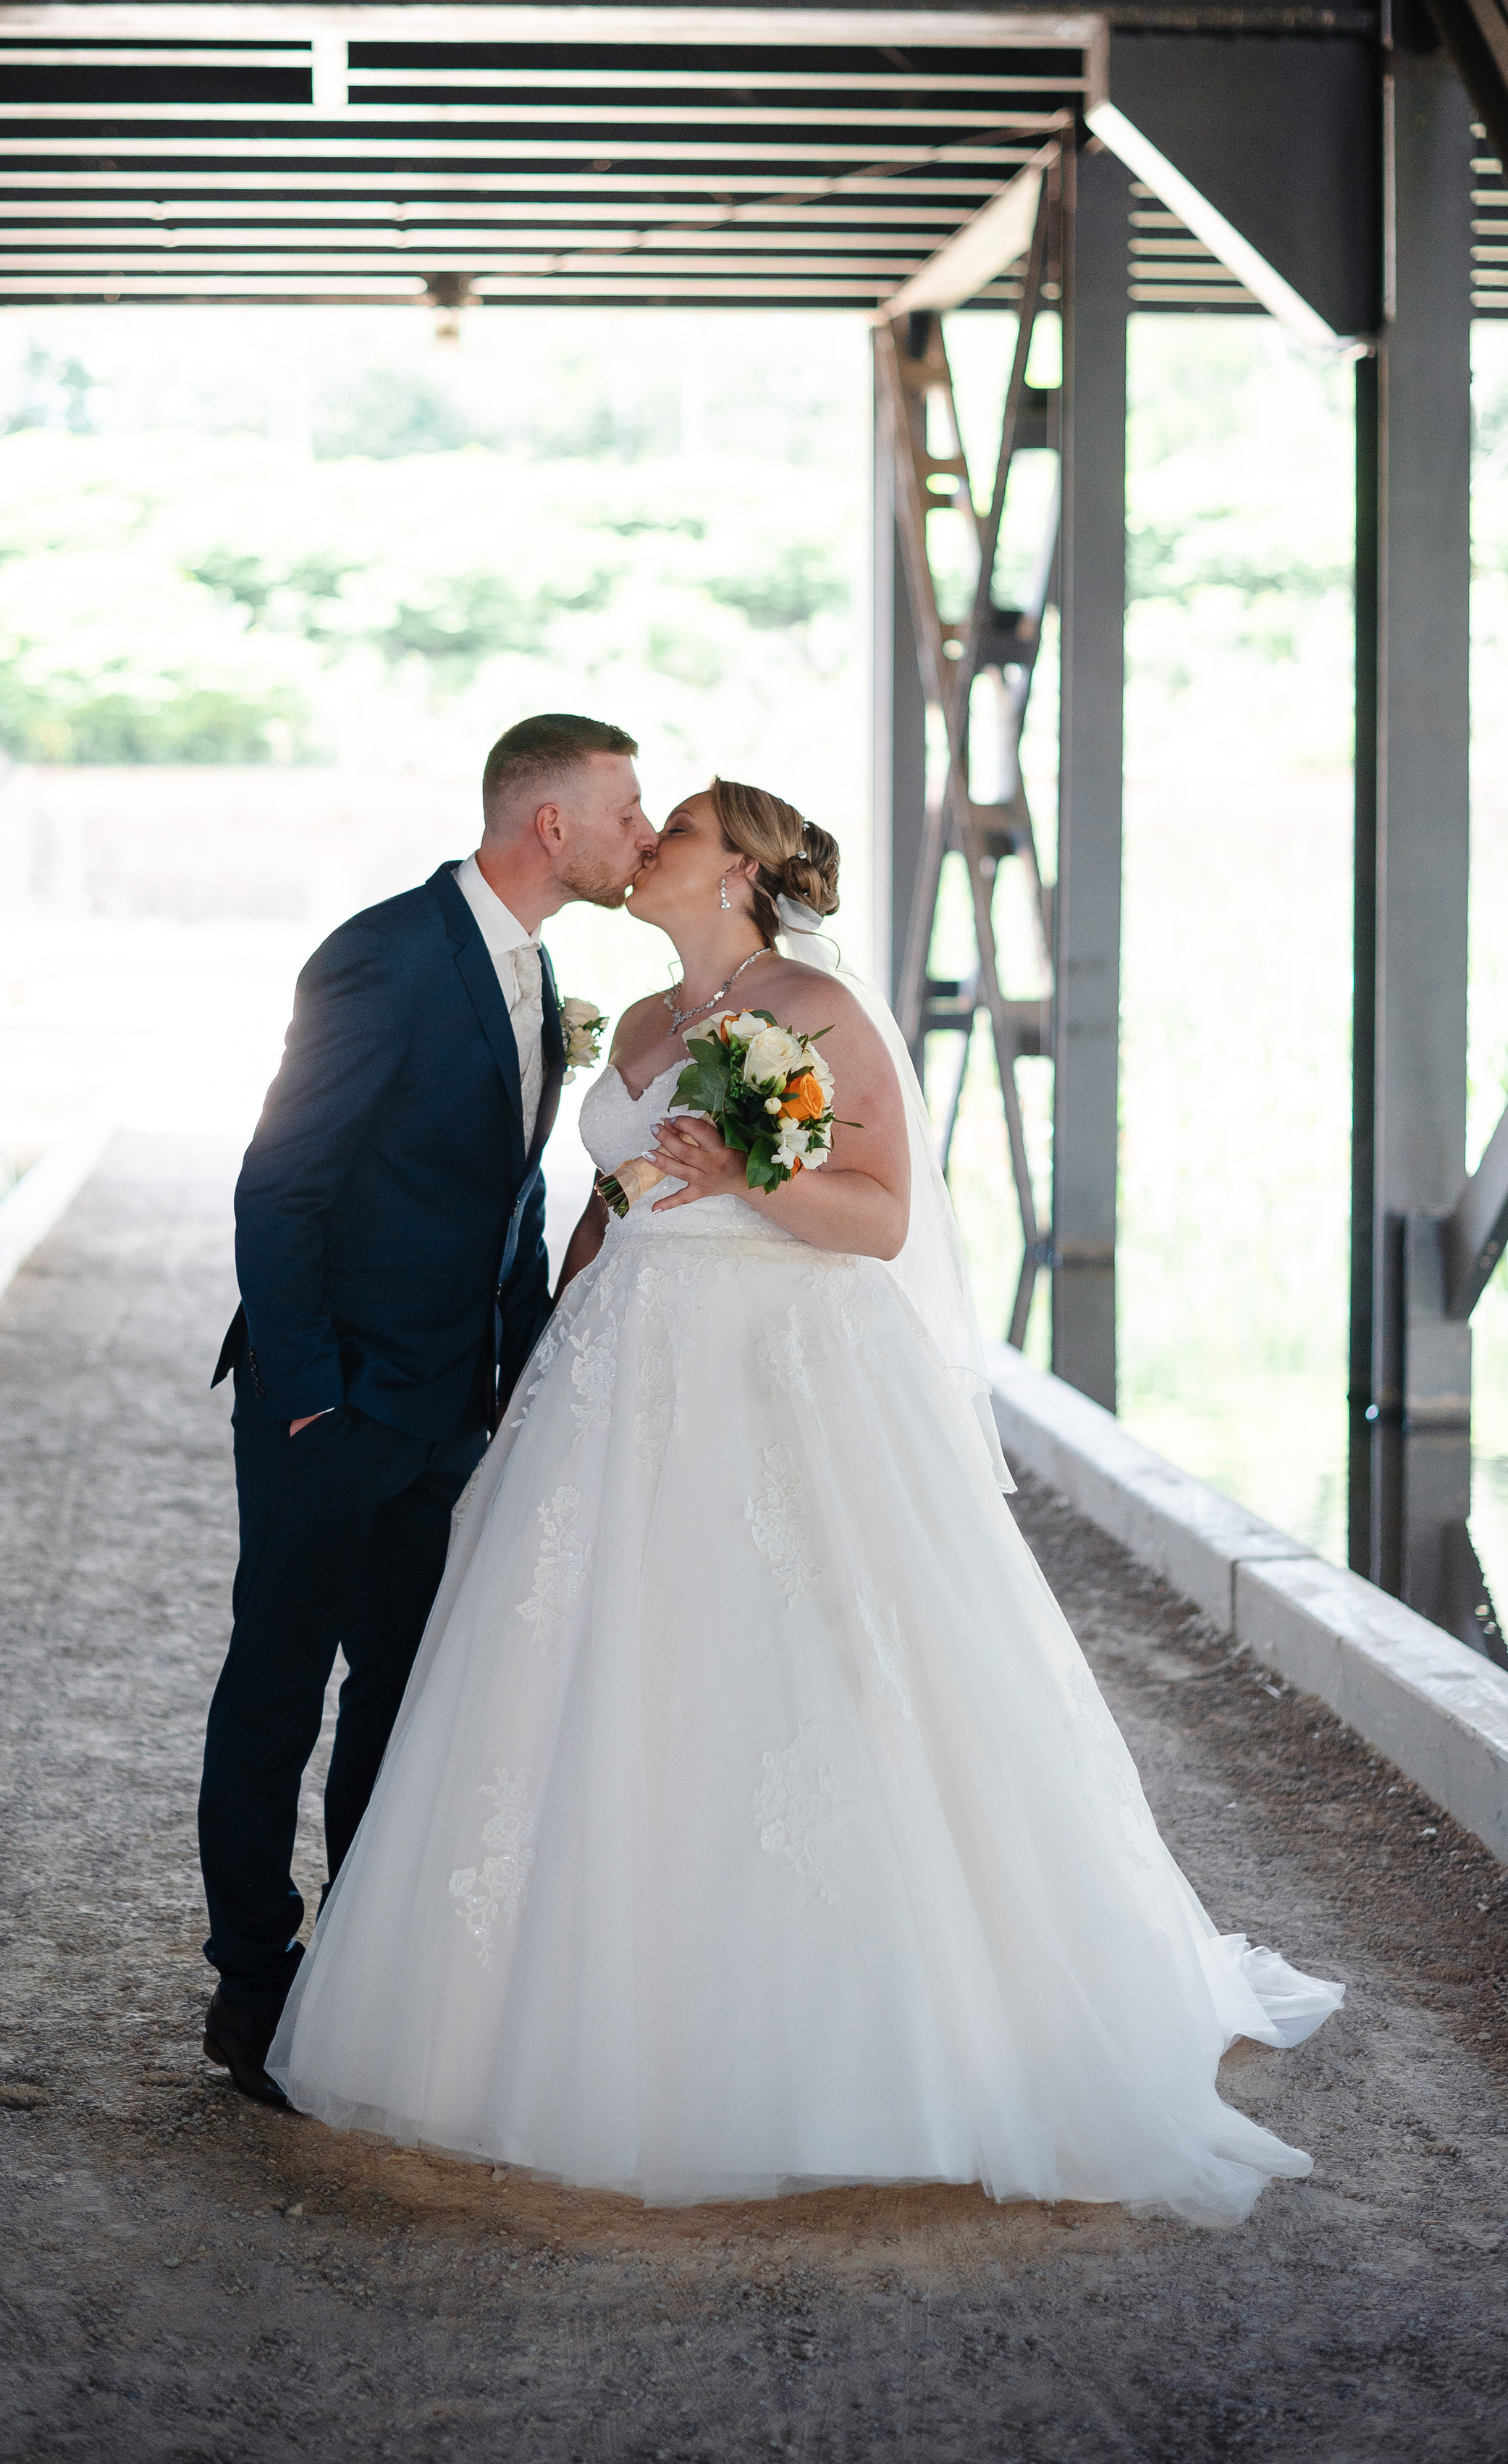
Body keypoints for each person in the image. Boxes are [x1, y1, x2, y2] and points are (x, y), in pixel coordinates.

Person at [268, 778, 1344, 2224]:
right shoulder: (643, 1023)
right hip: (611, 1377)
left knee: (792, 1672)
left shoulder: (813, 1013)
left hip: (768, 1372)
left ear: (742, 876)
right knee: (576, 1679)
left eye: (677, 836)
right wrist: (536, 1364)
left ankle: (839, 2038)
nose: (643, 849)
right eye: (643, 830)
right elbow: (608, 1204)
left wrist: (757, 1177)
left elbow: (880, 1214)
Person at [195, 713, 655, 2107]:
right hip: (333, 1410)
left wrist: (518, 1371)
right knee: (278, 1689)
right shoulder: (384, 954)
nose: (647, 833)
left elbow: (498, 1196)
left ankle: (357, 1973)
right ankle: (252, 1983)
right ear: (552, 826)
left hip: (454, 1406)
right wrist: (311, 1402)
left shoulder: (538, 964)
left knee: (400, 1689)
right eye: (628, 810)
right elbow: (279, 1184)